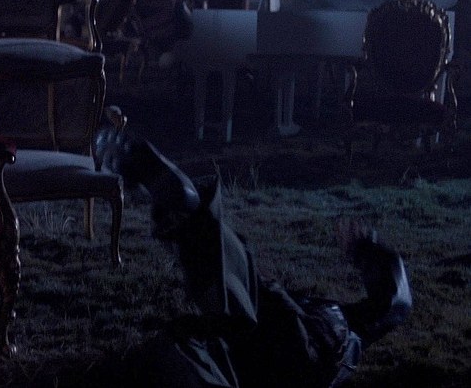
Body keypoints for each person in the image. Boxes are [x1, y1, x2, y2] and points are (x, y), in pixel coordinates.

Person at [94, 124, 412, 388]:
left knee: (232, 299)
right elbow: (396, 302)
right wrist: (366, 250)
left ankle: (191, 216)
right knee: (227, 314)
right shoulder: (351, 326)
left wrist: (366, 249)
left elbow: (395, 301)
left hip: (284, 347)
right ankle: (190, 217)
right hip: (304, 351)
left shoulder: (331, 319)